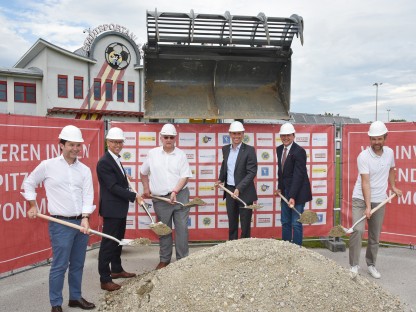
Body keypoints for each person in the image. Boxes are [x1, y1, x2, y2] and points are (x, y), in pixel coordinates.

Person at [22, 125, 96, 312]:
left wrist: (86, 218)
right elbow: (29, 183)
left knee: (78, 263)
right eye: (71, 145)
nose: (75, 149)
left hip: (81, 223)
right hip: (60, 224)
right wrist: (33, 205)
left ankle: (75, 298)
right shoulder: (48, 166)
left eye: (78, 145)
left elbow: (88, 195)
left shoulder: (85, 170)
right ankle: (56, 303)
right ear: (61, 145)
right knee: (59, 265)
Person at [349, 121, 402, 278]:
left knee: (374, 235)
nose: (376, 142)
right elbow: (365, 182)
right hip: (360, 198)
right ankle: (353, 265)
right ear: (369, 139)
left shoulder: (390, 153)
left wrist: (392, 186)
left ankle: (371, 264)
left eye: (379, 139)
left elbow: (392, 169)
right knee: (357, 230)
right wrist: (366, 206)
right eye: (373, 139)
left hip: (379, 200)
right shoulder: (363, 156)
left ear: (385, 137)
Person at [140, 123, 193, 270]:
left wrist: (175, 191)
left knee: (182, 228)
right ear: (161, 138)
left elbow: (185, 177)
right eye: (166, 137)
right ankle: (164, 260)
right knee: (164, 230)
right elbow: (143, 172)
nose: (168, 140)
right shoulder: (152, 154)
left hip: (180, 196)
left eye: (171, 137)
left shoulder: (181, 155)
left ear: (175, 138)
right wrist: (146, 188)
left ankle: (182, 259)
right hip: (161, 199)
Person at [97, 127, 142, 291]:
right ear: (108, 142)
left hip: (119, 209)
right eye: (114, 142)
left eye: (120, 142)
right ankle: (105, 278)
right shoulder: (104, 162)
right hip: (111, 210)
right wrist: (134, 196)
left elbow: (117, 180)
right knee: (108, 244)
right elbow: (112, 187)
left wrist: (125, 178)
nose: (117, 144)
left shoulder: (115, 159)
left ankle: (116, 269)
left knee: (118, 242)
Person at [216, 121, 258, 240]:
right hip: (229, 191)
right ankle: (232, 247)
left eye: (239, 133)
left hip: (245, 192)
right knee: (232, 223)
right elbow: (225, 166)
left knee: (245, 225)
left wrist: (239, 188)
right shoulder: (225, 149)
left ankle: (244, 249)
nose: (236, 136)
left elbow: (252, 172)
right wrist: (220, 179)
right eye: (234, 133)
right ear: (230, 134)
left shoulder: (249, 150)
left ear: (243, 134)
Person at [275, 122, 312, 246]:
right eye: (283, 135)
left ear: (293, 135)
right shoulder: (279, 149)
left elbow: (298, 176)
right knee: (285, 222)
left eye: (288, 135)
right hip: (285, 192)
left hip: (298, 193)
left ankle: (297, 251)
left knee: (296, 223)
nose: (285, 138)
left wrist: (292, 196)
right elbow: (281, 172)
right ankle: (286, 248)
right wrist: (280, 188)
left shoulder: (299, 151)